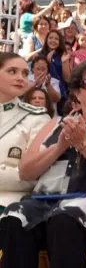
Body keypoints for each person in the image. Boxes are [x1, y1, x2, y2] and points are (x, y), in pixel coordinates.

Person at [0, 59, 86, 268]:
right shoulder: (57, 123)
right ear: (78, 93)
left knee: (65, 218)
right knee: (14, 216)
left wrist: (84, 144)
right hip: (46, 199)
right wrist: (60, 147)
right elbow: (25, 171)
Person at [0, 53, 50, 209]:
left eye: (25, 73)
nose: (20, 78)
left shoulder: (37, 118)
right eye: (12, 71)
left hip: (8, 204)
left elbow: (34, 175)